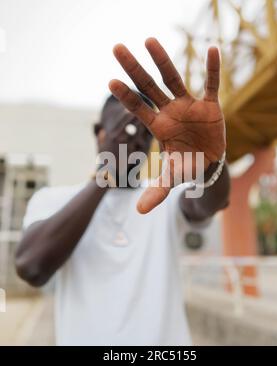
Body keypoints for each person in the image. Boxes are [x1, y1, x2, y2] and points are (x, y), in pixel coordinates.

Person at [15, 38, 230, 346]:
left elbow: (210, 203)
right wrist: (106, 177)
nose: (136, 142)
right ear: (99, 133)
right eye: (125, 131)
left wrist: (211, 163)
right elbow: (31, 267)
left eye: (147, 134)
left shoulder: (163, 197)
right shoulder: (52, 199)